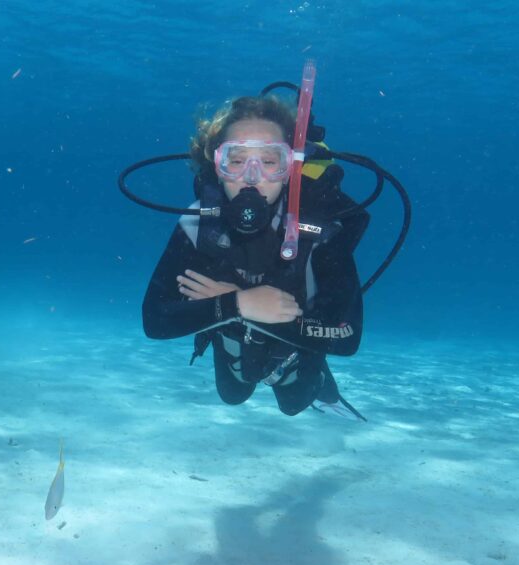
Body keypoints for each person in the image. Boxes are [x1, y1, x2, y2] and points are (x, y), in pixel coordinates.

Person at [141, 95, 368, 417]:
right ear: (216, 167)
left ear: (291, 168)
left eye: (269, 160)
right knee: (232, 394)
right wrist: (238, 305)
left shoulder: (320, 226)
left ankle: (321, 381)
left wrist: (236, 306)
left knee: (293, 404)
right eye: (236, 160)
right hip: (233, 338)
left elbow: (347, 338)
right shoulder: (198, 222)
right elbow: (154, 320)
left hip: (298, 348)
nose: (251, 176)